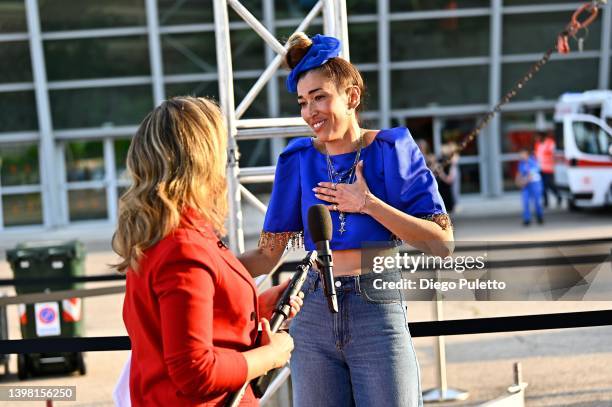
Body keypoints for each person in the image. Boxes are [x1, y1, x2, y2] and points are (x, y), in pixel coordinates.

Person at [239, 33, 454, 407]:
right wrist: (204, 262)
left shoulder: (392, 150)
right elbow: (265, 257)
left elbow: (443, 243)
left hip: (377, 307)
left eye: (320, 97)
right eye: (303, 102)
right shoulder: (297, 160)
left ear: (351, 97)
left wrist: (368, 203)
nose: (310, 112)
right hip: (311, 311)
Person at [113, 96, 303, 406]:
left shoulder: (167, 236)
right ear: (202, 159)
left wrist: (256, 309)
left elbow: (199, 324)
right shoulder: (183, 247)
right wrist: (271, 355)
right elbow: (194, 371)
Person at [516, 147, 544, 226]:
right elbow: (520, 173)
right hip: (526, 185)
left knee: (537, 202)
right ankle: (527, 219)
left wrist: (523, 182)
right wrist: (518, 181)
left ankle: (539, 217)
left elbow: (531, 175)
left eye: (522, 154)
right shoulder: (521, 163)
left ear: (527, 154)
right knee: (525, 202)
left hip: (535, 184)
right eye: (520, 154)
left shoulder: (533, 161)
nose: (521, 156)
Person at [534, 131, 561, 208]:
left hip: (548, 168)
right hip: (540, 168)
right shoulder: (538, 144)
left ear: (542, 136)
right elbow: (537, 155)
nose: (536, 138)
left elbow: (554, 154)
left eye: (538, 136)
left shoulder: (550, 143)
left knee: (549, 185)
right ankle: (546, 201)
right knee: (543, 186)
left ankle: (558, 195)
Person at [433, 142, 459, 214]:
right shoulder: (443, 163)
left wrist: (440, 173)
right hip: (443, 193)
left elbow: (449, 180)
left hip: (447, 195)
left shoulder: (451, 166)